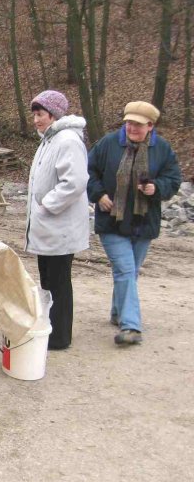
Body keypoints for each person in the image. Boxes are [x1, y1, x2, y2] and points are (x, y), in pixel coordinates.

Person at [87, 101, 181, 346]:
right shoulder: (108, 144)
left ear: (150, 126)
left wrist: (156, 187)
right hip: (112, 220)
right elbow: (88, 172)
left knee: (129, 272)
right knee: (126, 270)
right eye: (128, 122)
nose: (131, 128)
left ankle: (118, 312)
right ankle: (131, 326)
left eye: (138, 124)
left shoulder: (162, 149)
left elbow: (173, 180)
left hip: (144, 222)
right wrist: (99, 195)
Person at [25, 90, 89, 351]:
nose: (36, 120)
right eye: (34, 115)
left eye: (40, 114)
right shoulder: (49, 140)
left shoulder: (67, 140)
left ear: (53, 114)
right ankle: (51, 329)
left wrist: (46, 205)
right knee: (48, 281)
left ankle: (60, 336)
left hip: (59, 226)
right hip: (48, 226)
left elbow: (75, 182)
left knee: (58, 282)